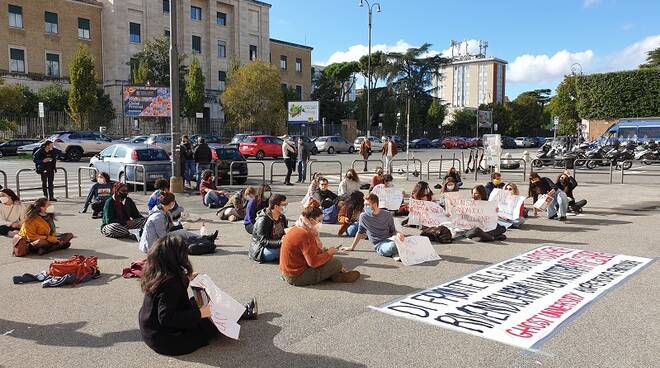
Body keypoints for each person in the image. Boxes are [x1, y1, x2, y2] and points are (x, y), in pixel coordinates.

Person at [139, 234, 257, 356]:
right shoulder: (171, 283)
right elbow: (166, 317)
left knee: (199, 302)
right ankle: (240, 314)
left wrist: (186, 278)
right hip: (167, 340)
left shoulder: (157, 272)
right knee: (212, 322)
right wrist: (201, 313)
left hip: (151, 331)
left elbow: (170, 300)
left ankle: (239, 312)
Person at [281, 205, 360, 286]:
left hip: (288, 271)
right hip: (296, 276)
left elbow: (315, 251)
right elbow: (313, 262)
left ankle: (335, 273)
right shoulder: (307, 234)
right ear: (311, 220)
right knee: (336, 263)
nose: (320, 223)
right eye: (319, 220)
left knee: (326, 255)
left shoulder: (298, 226)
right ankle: (336, 276)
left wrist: (327, 254)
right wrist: (329, 254)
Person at [139, 192, 217, 254]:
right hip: (151, 246)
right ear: (172, 203)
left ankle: (203, 238)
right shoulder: (158, 217)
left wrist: (178, 228)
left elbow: (169, 228)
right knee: (181, 236)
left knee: (182, 232)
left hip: (159, 238)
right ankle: (202, 240)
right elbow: (162, 237)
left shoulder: (165, 211)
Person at [342, 193, 404, 258]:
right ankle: (396, 252)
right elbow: (360, 232)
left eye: (367, 205)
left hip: (391, 239)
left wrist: (398, 234)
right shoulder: (363, 216)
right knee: (393, 246)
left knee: (406, 242)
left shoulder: (387, 214)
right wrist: (351, 247)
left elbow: (393, 231)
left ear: (375, 205)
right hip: (380, 244)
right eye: (364, 205)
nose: (365, 207)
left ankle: (398, 252)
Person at [249, 194, 288, 263]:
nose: (286, 207)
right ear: (276, 206)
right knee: (283, 251)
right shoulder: (263, 220)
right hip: (262, 249)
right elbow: (263, 241)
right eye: (284, 205)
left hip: (277, 244)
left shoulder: (282, 217)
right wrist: (280, 242)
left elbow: (285, 231)